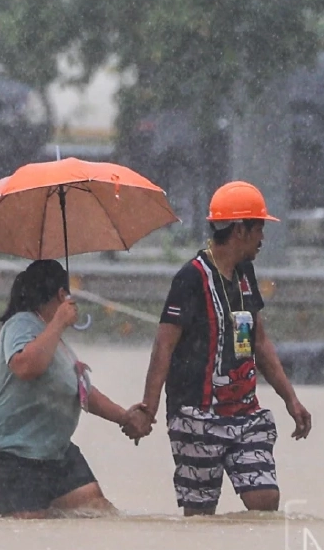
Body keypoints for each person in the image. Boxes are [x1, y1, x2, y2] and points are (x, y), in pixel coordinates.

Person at [127, 181, 311, 516]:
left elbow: (260, 342)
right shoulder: (191, 279)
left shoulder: (245, 275)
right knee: (200, 515)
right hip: (196, 415)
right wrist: (149, 409)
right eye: (259, 229)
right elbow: (164, 345)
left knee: (264, 500)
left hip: (244, 412)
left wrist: (291, 399)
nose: (262, 239)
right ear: (240, 230)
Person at [0, 259, 150, 518]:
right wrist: (58, 323)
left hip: (55, 451)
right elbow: (25, 366)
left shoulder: (57, 344)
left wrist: (124, 417)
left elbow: (83, 392)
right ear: (62, 295)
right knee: (28, 533)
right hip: (12, 452)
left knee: (99, 513)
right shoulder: (21, 324)